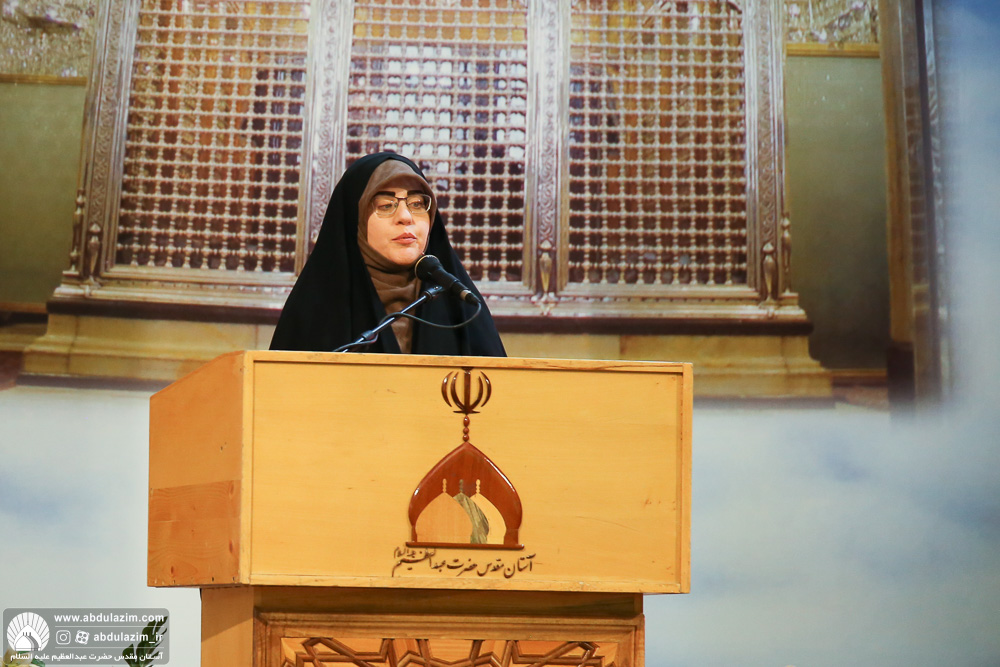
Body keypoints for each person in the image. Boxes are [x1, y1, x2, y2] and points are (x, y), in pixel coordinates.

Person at [269, 152, 506, 356]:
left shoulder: (460, 302)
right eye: (386, 205)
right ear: (355, 220)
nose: (406, 217)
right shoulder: (316, 309)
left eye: (417, 204)